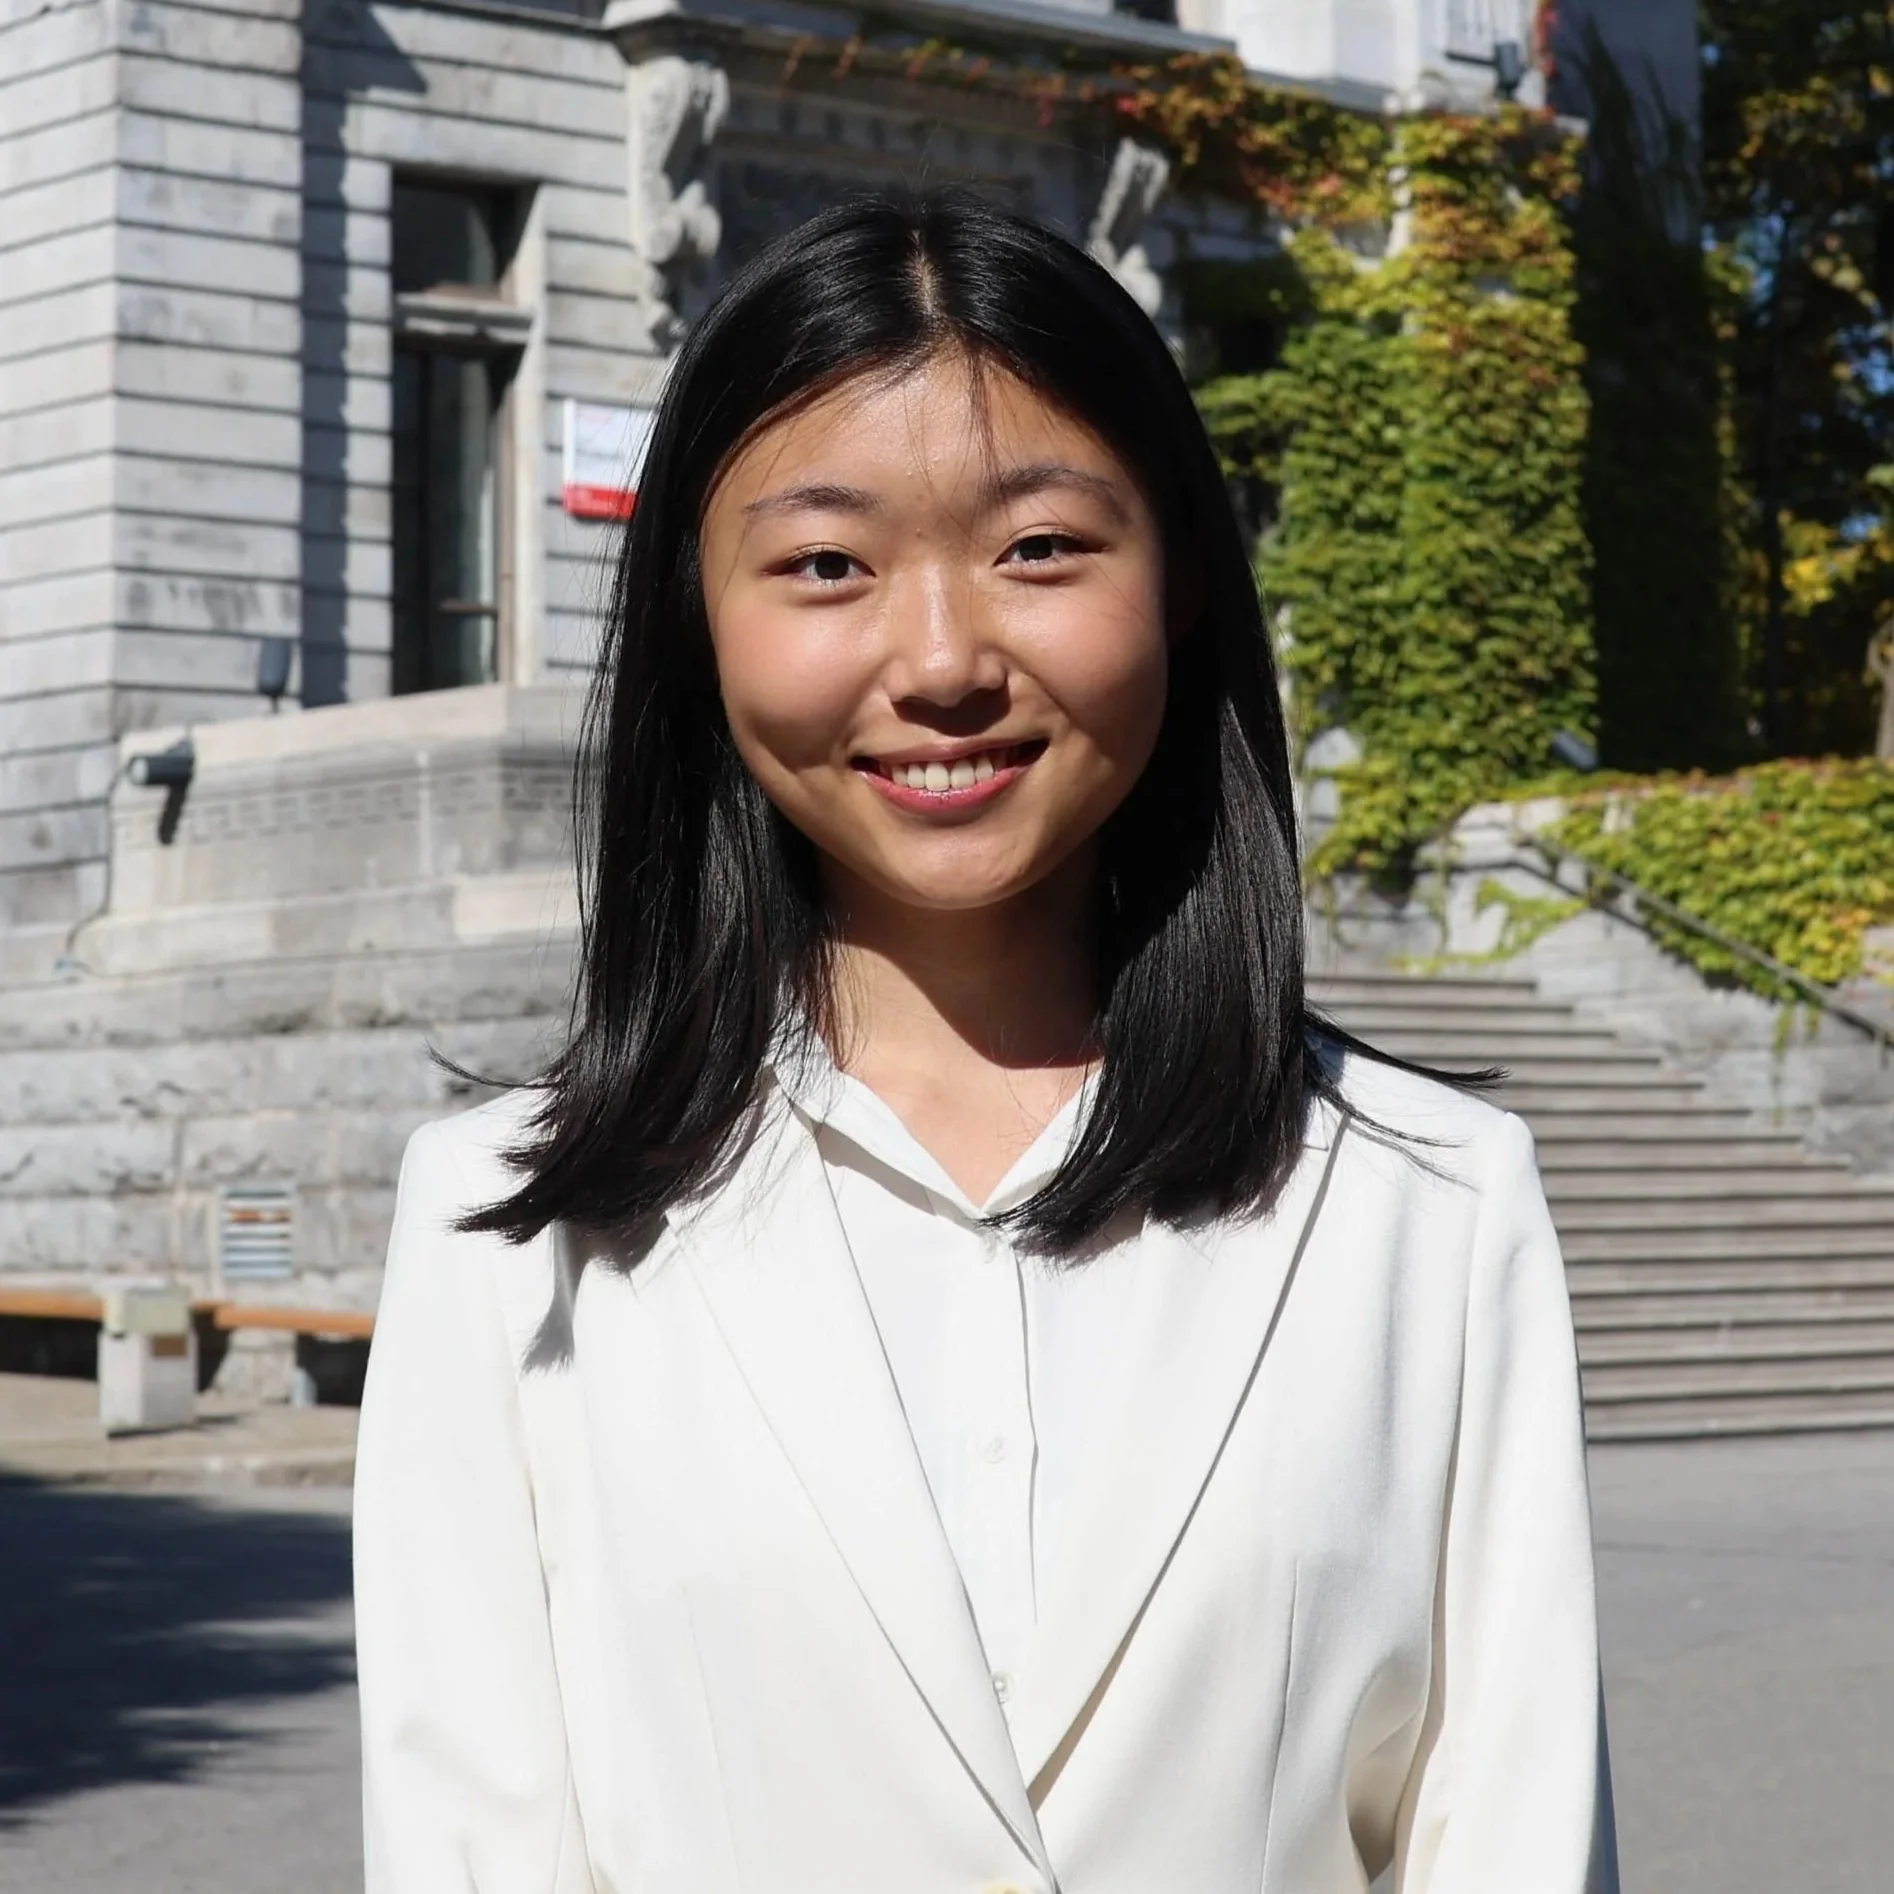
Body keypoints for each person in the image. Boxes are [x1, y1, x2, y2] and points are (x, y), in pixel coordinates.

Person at [353, 188, 1617, 1894]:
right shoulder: (506, 1232)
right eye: (825, 565)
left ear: (1178, 576)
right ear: (696, 620)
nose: (943, 659)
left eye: (1038, 548)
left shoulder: (1435, 1207)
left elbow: (1513, 1836)